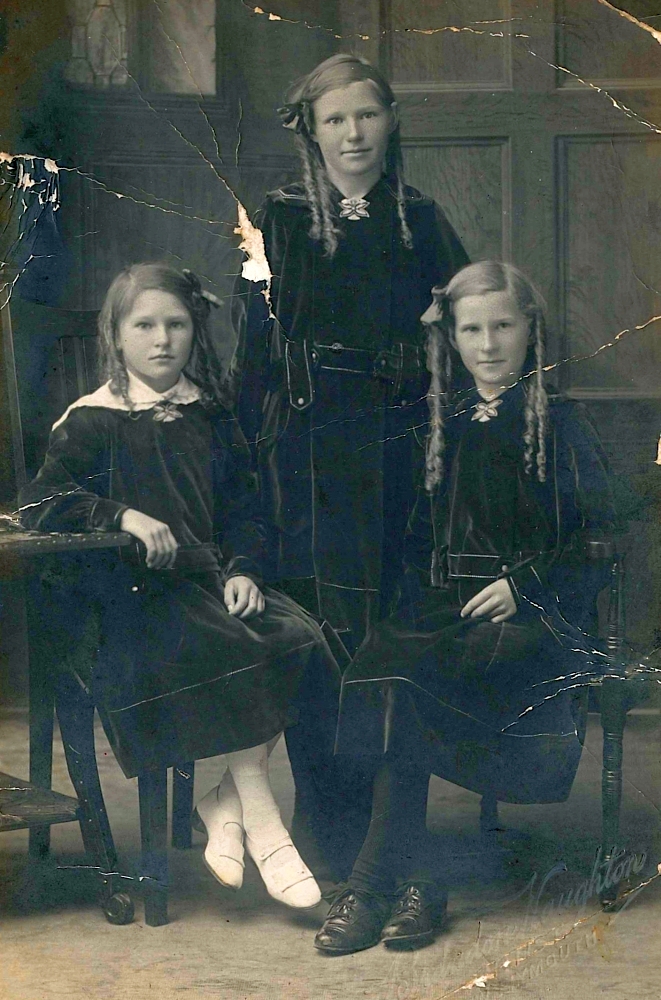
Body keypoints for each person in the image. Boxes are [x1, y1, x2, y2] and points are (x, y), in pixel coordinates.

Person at [18, 261, 343, 911]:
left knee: (301, 638)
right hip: (128, 599)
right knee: (227, 646)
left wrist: (245, 568)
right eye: (145, 325)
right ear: (116, 334)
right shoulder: (92, 420)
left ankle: (227, 796)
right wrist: (122, 515)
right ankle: (265, 824)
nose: (162, 339)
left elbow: (245, 510)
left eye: (177, 324)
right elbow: (40, 502)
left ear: (195, 332)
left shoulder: (211, 417)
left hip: (206, 582)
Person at [313, 261, 616, 953]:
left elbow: (599, 542)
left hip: (534, 618)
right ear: (450, 338)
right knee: (380, 666)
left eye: (501, 326)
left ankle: (375, 882)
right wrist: (416, 612)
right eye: (470, 329)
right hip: (449, 607)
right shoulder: (438, 423)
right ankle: (410, 877)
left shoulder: (558, 422)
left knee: (414, 683)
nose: (487, 344)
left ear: (529, 330)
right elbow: (419, 537)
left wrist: (524, 586)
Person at [220, 52, 469, 889]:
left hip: (397, 456)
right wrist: (249, 450)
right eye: (335, 120)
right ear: (311, 131)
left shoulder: (421, 219)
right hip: (304, 455)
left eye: (366, 115)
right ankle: (326, 833)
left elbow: (470, 326)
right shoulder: (281, 219)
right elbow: (254, 349)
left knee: (386, 634)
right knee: (318, 634)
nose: (352, 134)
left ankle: (387, 840)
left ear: (390, 121)